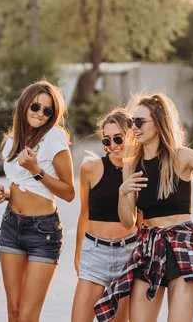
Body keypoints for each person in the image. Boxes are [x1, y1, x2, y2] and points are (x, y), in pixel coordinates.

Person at [94, 93, 193, 322]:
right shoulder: (131, 164)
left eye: (140, 122)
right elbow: (127, 221)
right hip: (148, 247)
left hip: (182, 244)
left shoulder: (181, 157)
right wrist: (123, 192)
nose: (135, 127)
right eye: (133, 122)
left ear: (159, 122)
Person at [0, 80, 75, 322]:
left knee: (27, 316)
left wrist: (37, 169)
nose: (40, 114)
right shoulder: (13, 140)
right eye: (36, 107)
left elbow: (69, 192)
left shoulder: (55, 137)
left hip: (43, 231)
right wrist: (6, 194)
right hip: (11, 225)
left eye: (48, 111)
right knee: (14, 312)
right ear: (25, 105)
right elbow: (24, 184)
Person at [71, 108, 137, 322]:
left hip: (128, 253)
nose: (112, 145)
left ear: (131, 135)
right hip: (95, 253)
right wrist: (78, 252)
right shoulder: (90, 168)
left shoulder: (141, 170)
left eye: (118, 138)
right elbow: (84, 213)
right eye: (106, 141)